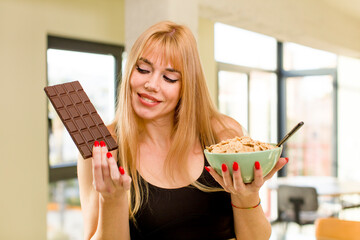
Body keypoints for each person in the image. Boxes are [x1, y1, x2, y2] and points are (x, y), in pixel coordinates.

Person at [77, 21, 288, 240]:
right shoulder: (103, 147)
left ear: (187, 85)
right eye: (143, 69)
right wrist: (111, 202)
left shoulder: (222, 134)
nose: (151, 84)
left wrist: (248, 195)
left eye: (169, 77)